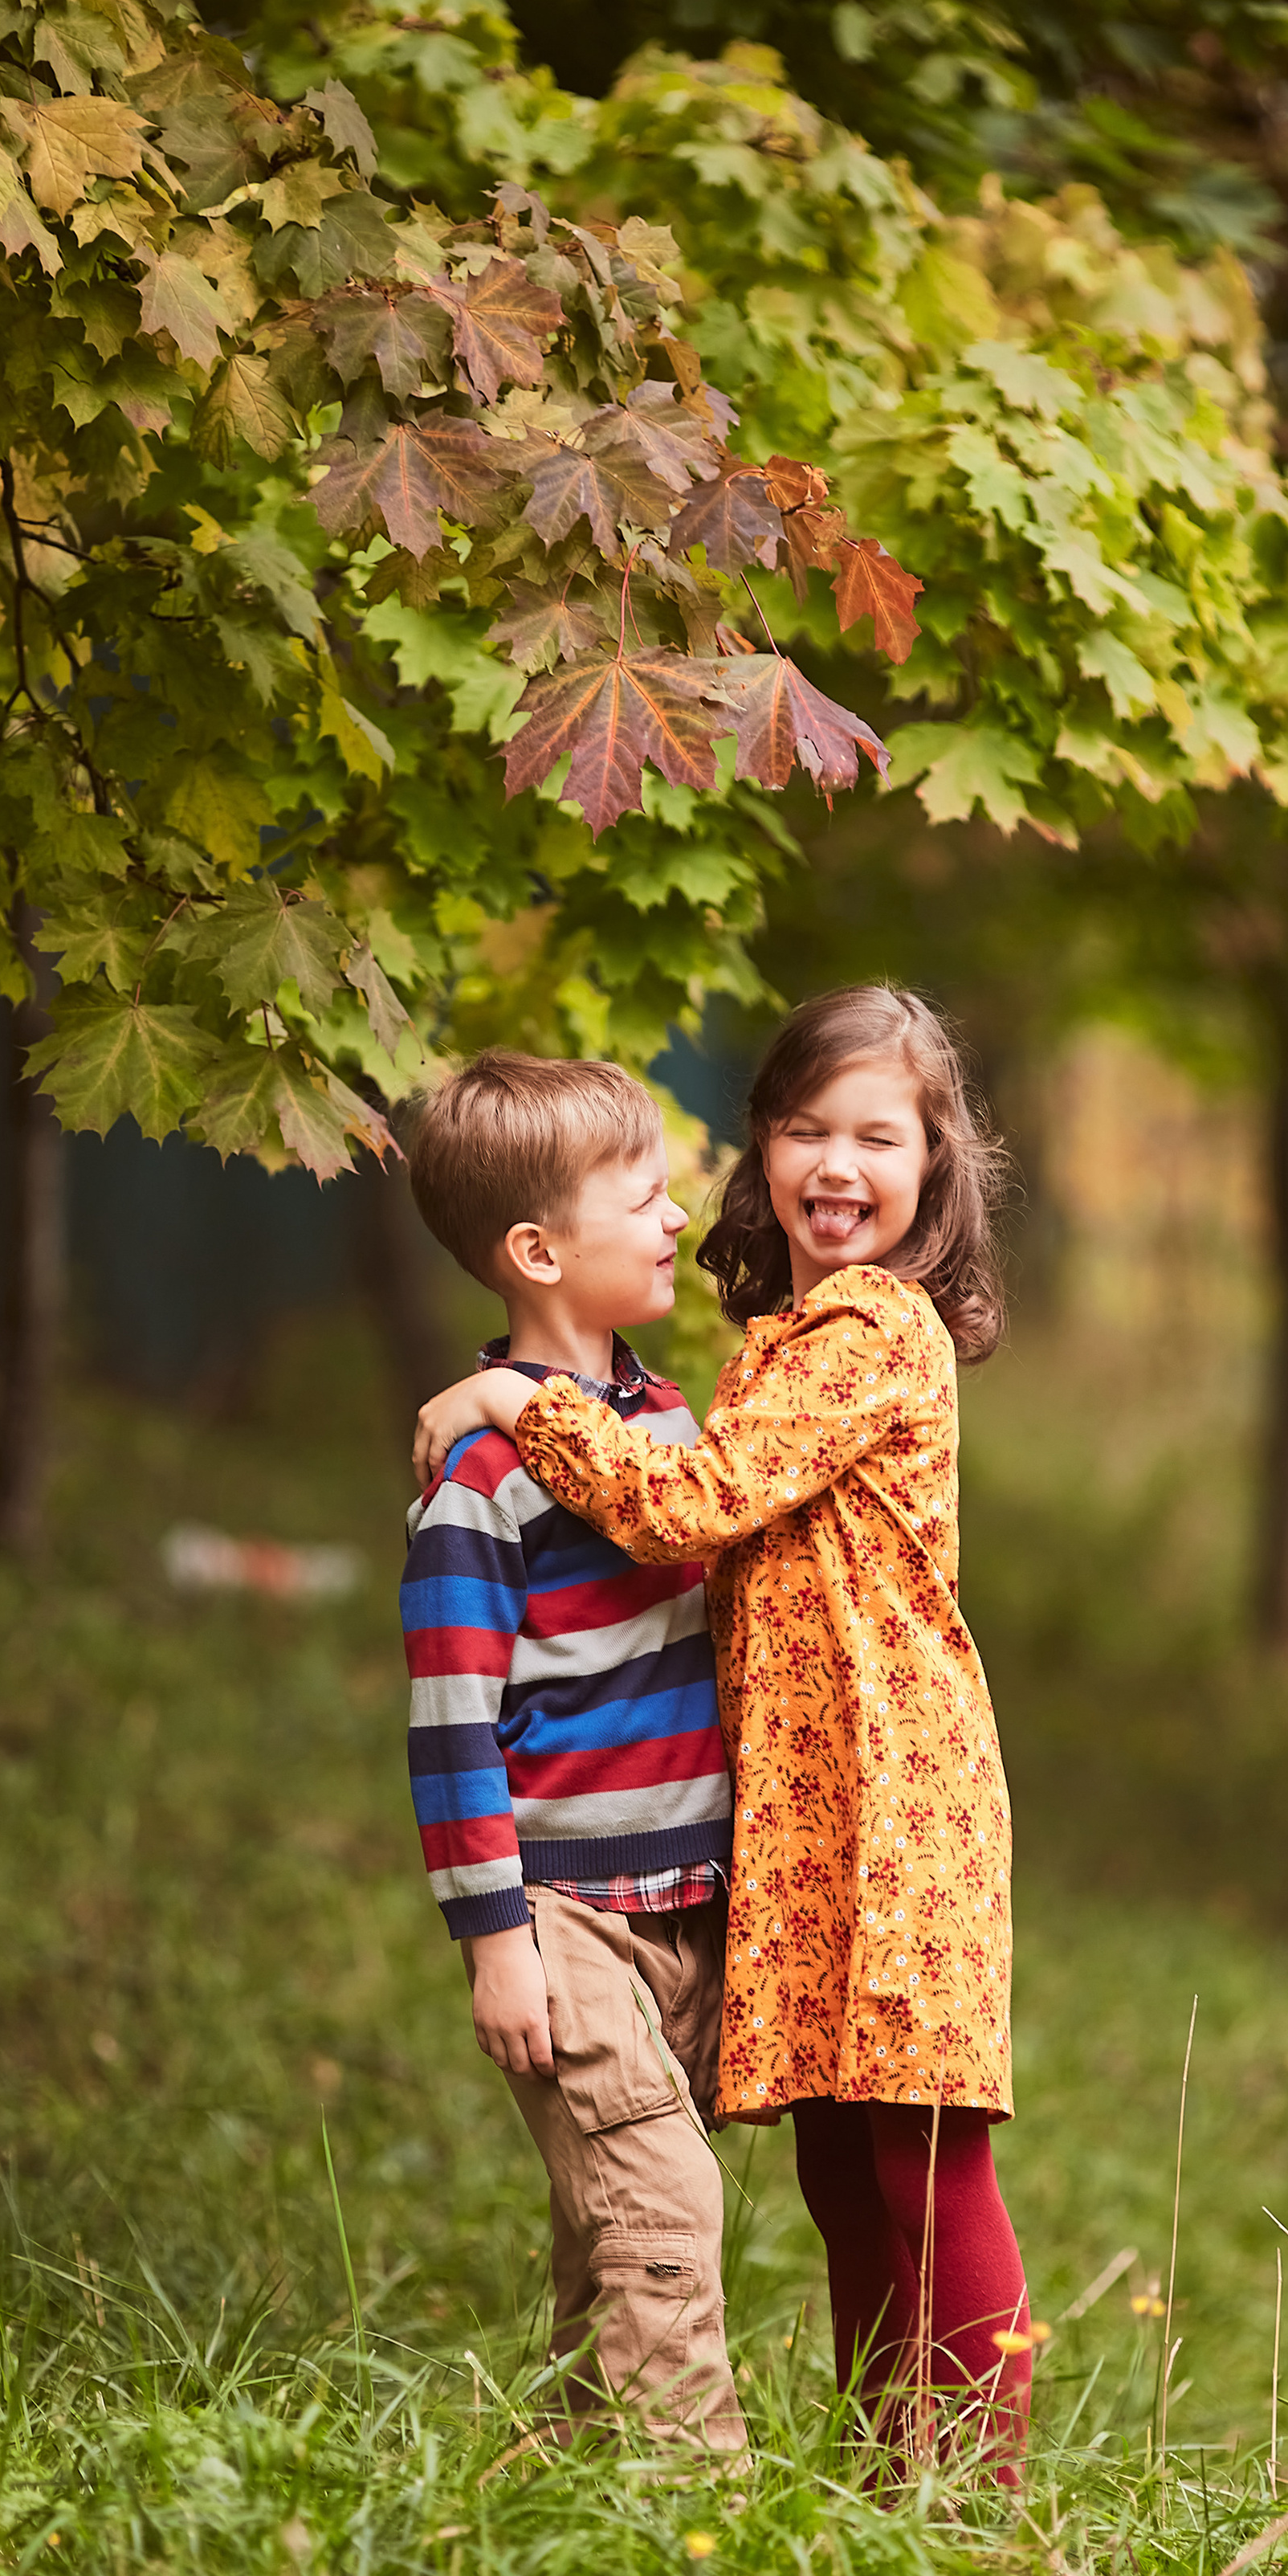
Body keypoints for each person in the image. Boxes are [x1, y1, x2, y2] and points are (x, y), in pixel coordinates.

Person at [413, 986, 1032, 2480]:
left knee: (923, 2159)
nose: (838, 1163)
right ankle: (894, 2467)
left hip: (896, 1803)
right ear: (759, 1146)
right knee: (840, 2158)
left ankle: (975, 2495)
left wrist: (514, 1393)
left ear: (937, 1165)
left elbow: (684, 1507)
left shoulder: (871, 1328)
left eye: (879, 1136)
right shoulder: (783, 1334)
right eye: (805, 1128)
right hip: (813, 1810)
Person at [399, 1049, 745, 2455]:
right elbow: (449, 1728)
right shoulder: (480, 1484)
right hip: (565, 1922)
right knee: (666, 2218)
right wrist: (497, 1942)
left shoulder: (666, 1429)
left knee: (603, 2236)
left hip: (681, 1909)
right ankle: (706, 2530)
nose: (677, 1221)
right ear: (539, 1249)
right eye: (645, 1197)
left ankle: (560, 2499)